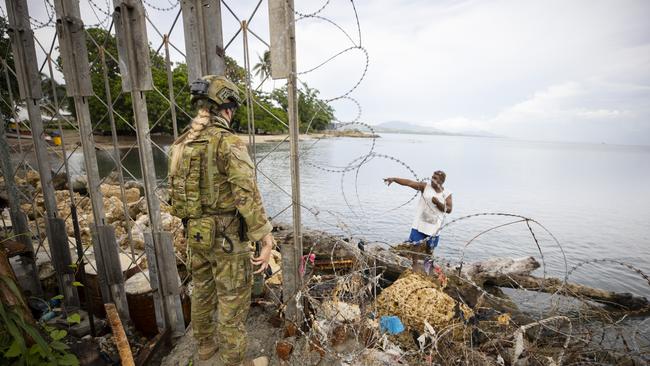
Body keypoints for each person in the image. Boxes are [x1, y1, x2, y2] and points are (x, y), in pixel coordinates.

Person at [168, 75, 273, 366]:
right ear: (227, 107)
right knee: (232, 303)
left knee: (201, 291)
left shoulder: (181, 144)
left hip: (195, 234)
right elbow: (245, 196)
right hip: (227, 239)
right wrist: (265, 238)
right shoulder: (228, 142)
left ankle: (204, 350)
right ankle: (234, 362)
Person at [383, 170, 453, 252]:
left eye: (435, 178)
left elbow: (449, 209)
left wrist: (438, 203)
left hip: (434, 225)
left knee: (430, 248)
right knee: (416, 244)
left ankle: (428, 263)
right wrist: (394, 179)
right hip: (420, 222)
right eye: (432, 177)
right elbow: (409, 183)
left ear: (441, 181)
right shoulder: (425, 186)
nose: (432, 179)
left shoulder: (447, 193)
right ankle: (415, 263)